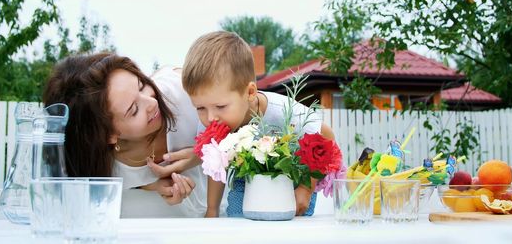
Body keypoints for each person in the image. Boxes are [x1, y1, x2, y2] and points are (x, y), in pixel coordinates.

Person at [181, 30, 336, 217]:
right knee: (238, 221)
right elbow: (216, 166)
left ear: (250, 92)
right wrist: (212, 210)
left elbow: (326, 136)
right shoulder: (212, 120)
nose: (210, 118)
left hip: (290, 182)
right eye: (200, 108)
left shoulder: (282, 111)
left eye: (220, 106)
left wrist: (306, 189)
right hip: (246, 181)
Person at [43, 53, 208, 217]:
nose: (152, 103)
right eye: (134, 110)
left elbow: (234, 132)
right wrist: (153, 185)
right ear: (108, 135)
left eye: (141, 85)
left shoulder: (186, 91)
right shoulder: (103, 168)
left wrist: (205, 154)